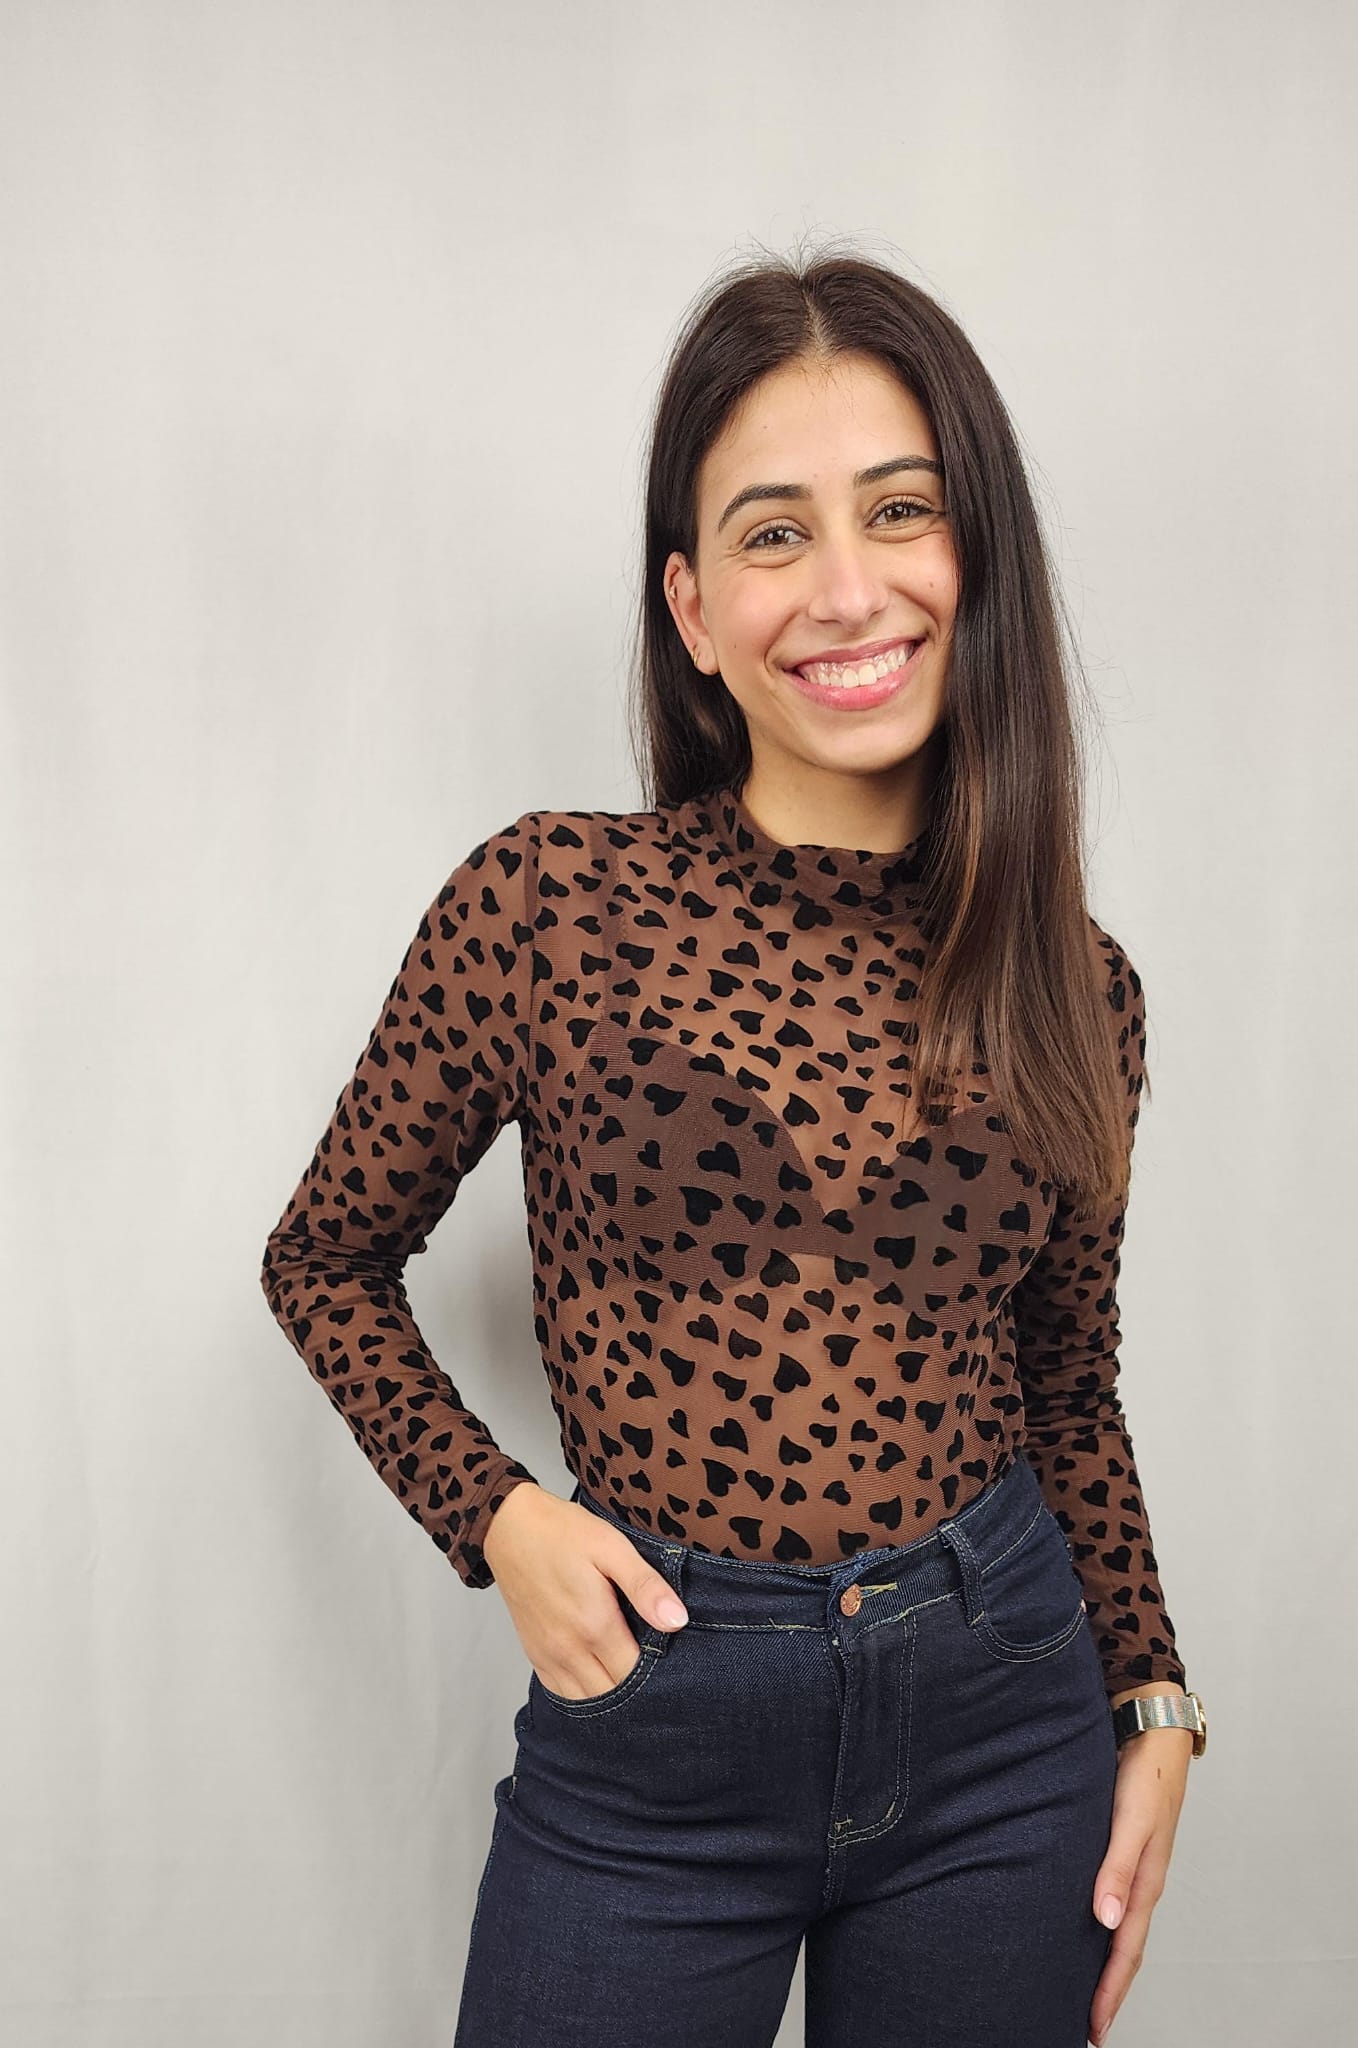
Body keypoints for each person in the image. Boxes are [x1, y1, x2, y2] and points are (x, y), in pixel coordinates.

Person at [260, 248, 1203, 2048]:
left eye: (900, 511)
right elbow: (323, 1260)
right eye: (776, 533)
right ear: (692, 610)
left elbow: (1065, 1389)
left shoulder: (1076, 983)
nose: (848, 587)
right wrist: (497, 1518)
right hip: (658, 1738)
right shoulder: (546, 904)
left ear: (976, 556)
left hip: (1002, 1722)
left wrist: (1152, 1697)